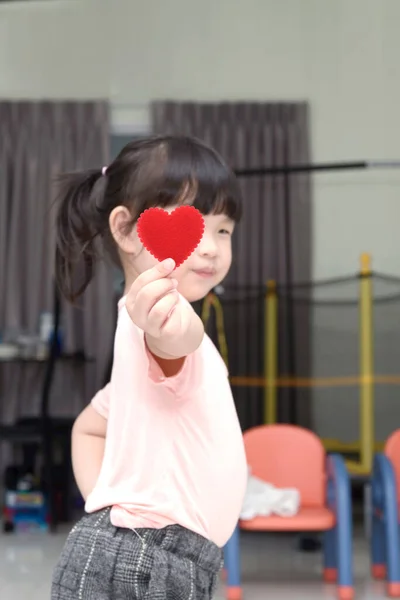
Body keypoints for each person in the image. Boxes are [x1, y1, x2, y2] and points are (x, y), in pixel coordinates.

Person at [51, 135, 247, 599]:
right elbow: (174, 338)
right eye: (194, 226)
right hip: (147, 561)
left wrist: (109, 509)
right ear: (126, 230)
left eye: (224, 230)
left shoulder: (136, 345)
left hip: (142, 554)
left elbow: (89, 429)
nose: (213, 248)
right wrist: (170, 329)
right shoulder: (164, 327)